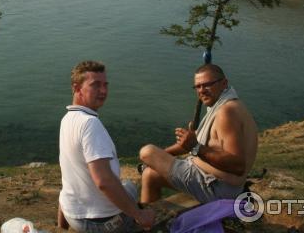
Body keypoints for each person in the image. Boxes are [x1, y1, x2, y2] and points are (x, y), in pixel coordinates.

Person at [139, 64, 258, 204]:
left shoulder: (226, 112)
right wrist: (165, 155)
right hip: (212, 180)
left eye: (208, 85)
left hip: (219, 189)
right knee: (150, 175)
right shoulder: (225, 104)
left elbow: (237, 167)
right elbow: (196, 142)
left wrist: (195, 147)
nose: (202, 91)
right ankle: (147, 221)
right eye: (198, 86)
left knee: (148, 152)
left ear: (224, 83)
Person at [58, 60, 155, 232]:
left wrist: (62, 225)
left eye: (105, 85)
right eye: (95, 85)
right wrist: (140, 216)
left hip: (73, 214)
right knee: (134, 191)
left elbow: (68, 175)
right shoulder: (89, 124)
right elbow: (103, 181)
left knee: (128, 186)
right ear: (76, 88)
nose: (103, 91)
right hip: (99, 224)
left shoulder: (67, 119)